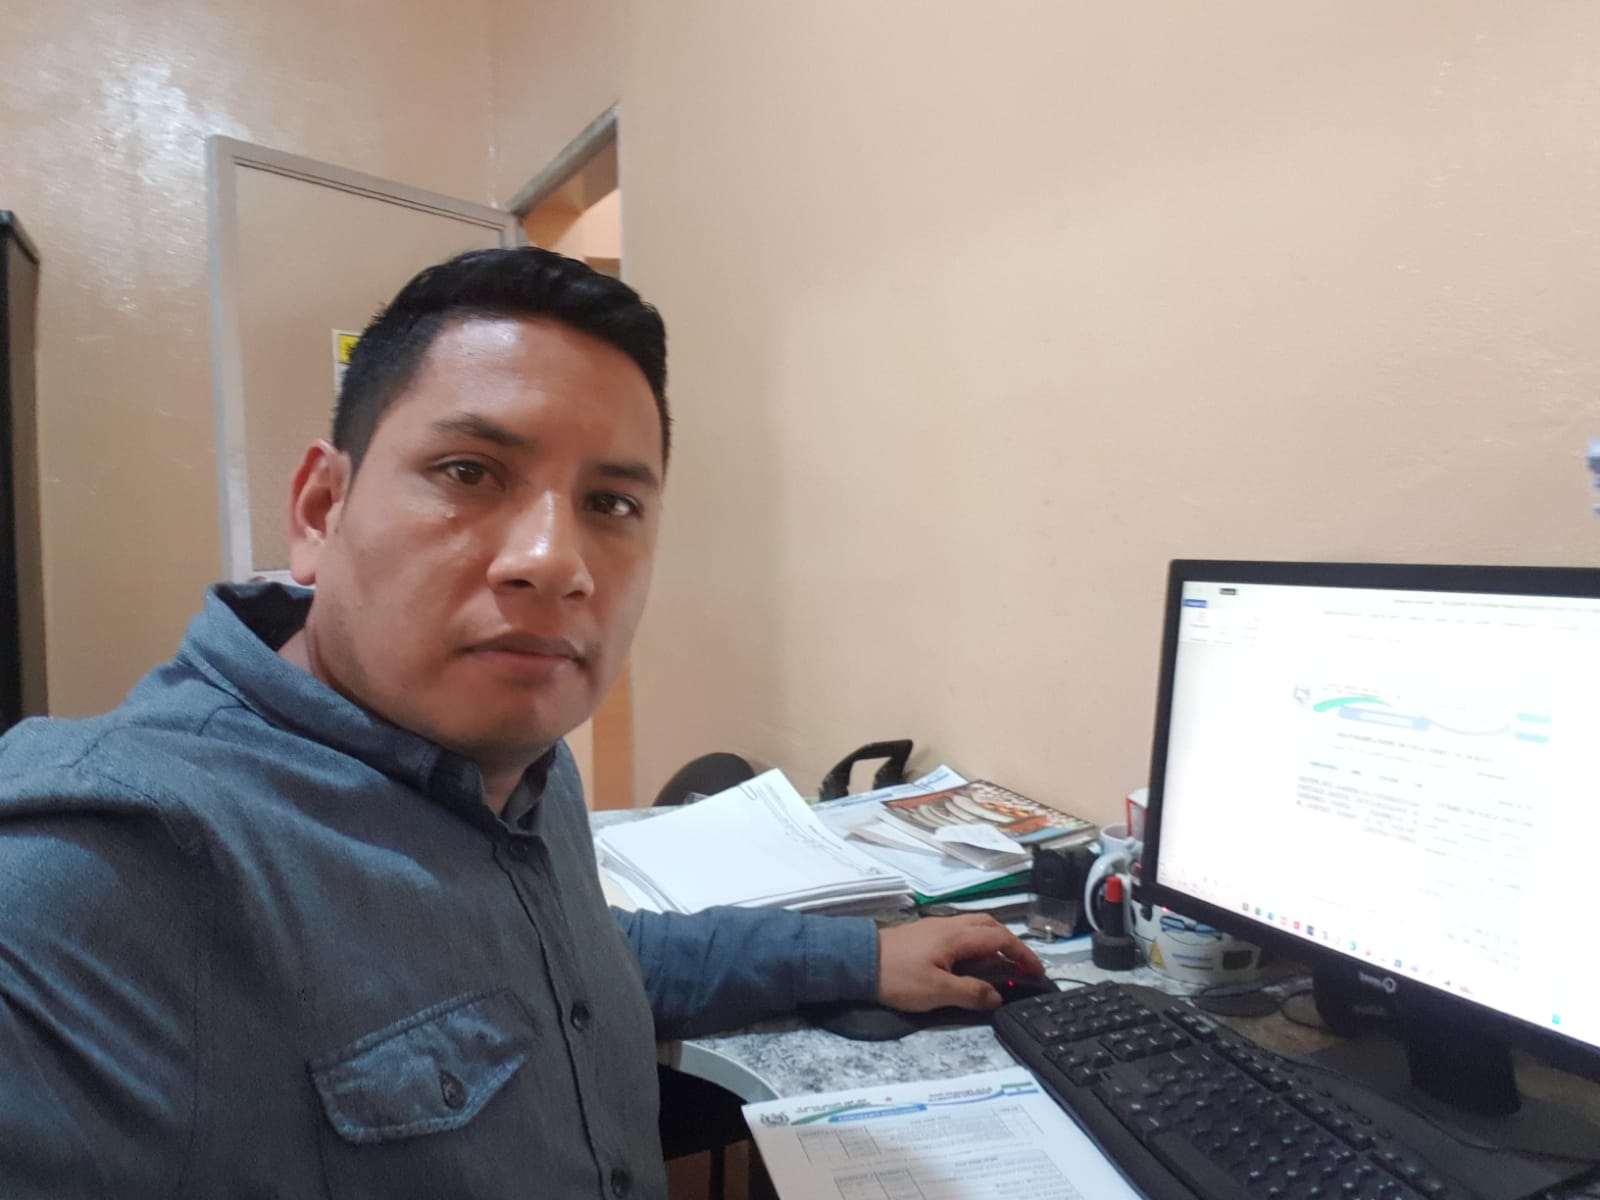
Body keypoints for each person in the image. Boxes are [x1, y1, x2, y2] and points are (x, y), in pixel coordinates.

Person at [0, 247, 1042, 1198]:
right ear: (321, 508)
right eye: (469, 472)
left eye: (611, 503)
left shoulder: (520, 761)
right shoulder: (97, 870)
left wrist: (858, 959)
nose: (555, 561)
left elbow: (579, 960)